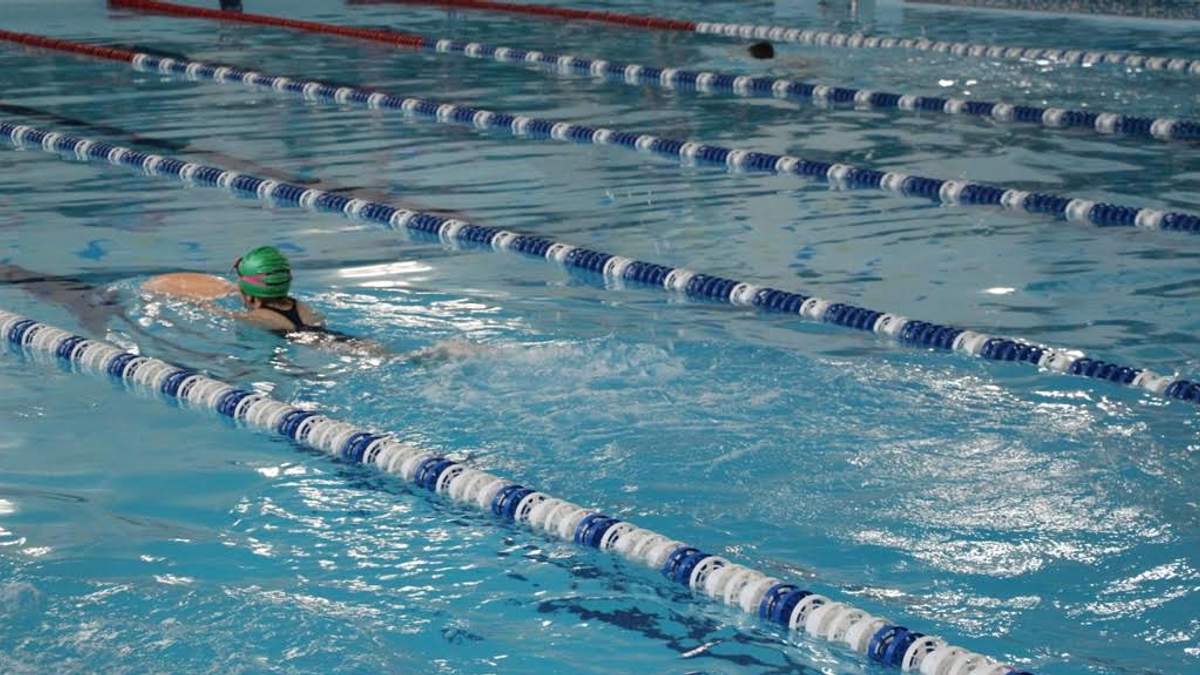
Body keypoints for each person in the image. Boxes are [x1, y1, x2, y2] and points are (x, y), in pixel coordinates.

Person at [141, 245, 337, 337]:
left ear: (248, 294)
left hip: (304, 343)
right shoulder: (300, 306)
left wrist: (196, 304)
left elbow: (221, 315)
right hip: (330, 338)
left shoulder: (256, 318)